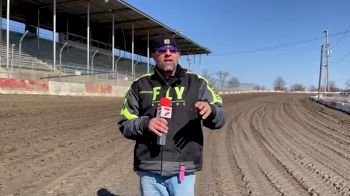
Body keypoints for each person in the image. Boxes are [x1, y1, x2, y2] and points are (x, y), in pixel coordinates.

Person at [118, 33, 225, 196]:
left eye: (173, 49)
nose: (168, 53)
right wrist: (145, 124)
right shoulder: (139, 85)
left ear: (178, 54)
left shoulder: (197, 82)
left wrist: (211, 110)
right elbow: (125, 123)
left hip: (183, 171)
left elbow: (220, 119)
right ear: (154, 55)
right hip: (149, 170)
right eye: (161, 49)